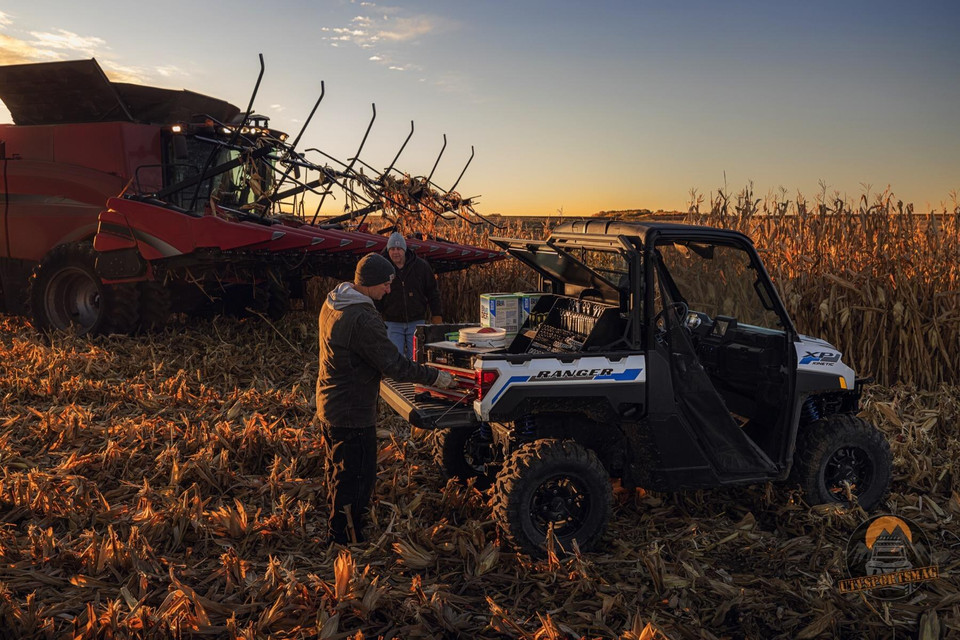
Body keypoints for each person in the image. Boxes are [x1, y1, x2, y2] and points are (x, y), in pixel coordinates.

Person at [316, 253, 454, 544]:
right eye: (386, 284)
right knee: (356, 479)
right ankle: (345, 539)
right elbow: (394, 364)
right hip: (353, 412)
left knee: (336, 470)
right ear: (368, 284)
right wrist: (435, 377)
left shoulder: (333, 302)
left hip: (330, 405)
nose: (389, 290)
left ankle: (338, 526)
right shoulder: (362, 319)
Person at [378, 232, 443, 359]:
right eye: (392, 249)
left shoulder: (421, 266)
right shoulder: (381, 267)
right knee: (394, 359)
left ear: (405, 249)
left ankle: (414, 379)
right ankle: (397, 379)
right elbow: (375, 295)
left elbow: (432, 292)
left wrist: (437, 314)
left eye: (399, 249)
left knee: (416, 357)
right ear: (388, 249)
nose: (395, 252)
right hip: (392, 321)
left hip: (416, 321)